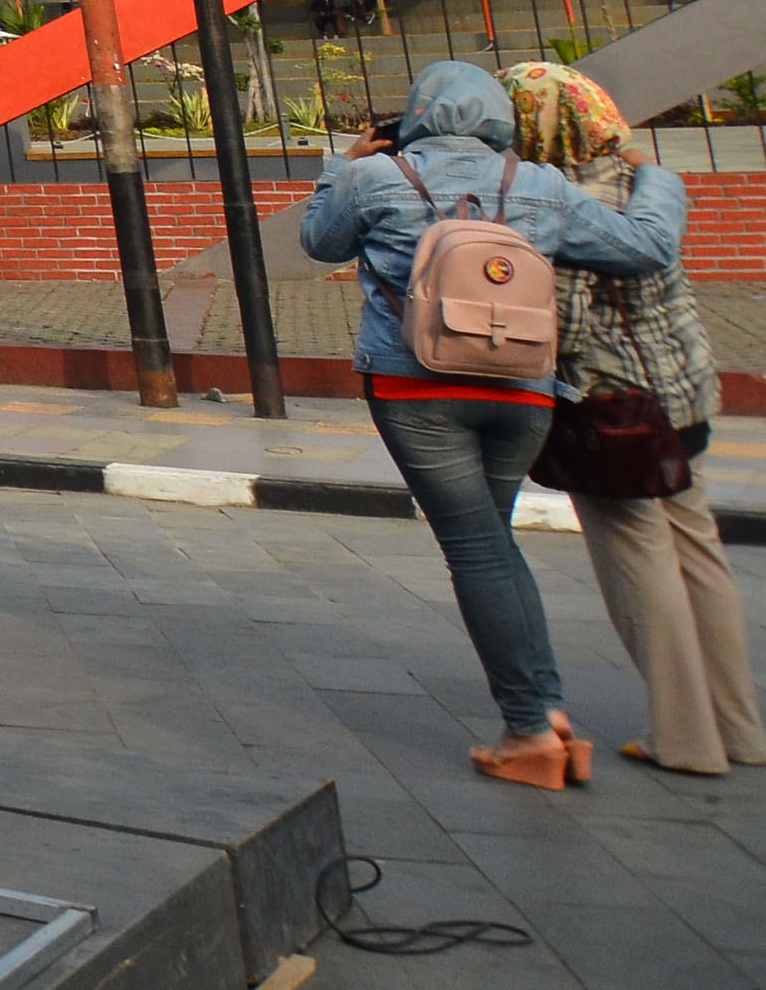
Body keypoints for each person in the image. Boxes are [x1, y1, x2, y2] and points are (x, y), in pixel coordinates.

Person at [301, 58, 687, 789]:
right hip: (523, 388)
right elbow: (646, 248)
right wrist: (655, 176)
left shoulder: (376, 176)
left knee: (476, 551)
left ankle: (529, 730)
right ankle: (548, 713)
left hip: (414, 386)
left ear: (417, 113)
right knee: (494, 542)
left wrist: (340, 165)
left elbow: (319, 241)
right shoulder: (541, 184)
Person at [505, 60, 760, 779]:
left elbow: (565, 323)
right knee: (701, 557)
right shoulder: (647, 184)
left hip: (615, 411)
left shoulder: (563, 205)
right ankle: (741, 729)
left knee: (639, 567)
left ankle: (684, 739)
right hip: (685, 400)